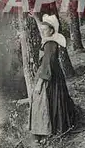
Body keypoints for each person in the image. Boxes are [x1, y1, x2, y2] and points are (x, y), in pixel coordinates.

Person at [28, 12, 76, 140]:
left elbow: (47, 65)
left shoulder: (50, 45)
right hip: (55, 74)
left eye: (45, 30)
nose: (42, 32)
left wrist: (40, 83)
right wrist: (36, 18)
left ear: (52, 30)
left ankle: (47, 130)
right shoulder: (50, 39)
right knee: (56, 100)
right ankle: (56, 128)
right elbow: (42, 28)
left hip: (49, 76)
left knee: (46, 100)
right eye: (42, 29)